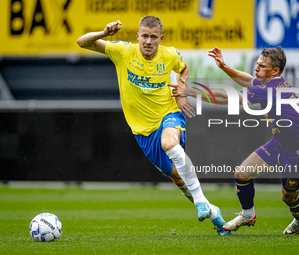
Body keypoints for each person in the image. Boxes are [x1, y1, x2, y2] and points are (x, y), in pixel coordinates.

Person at [77, 16, 231, 235]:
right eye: (145, 36)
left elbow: (183, 68)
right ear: (137, 36)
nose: (148, 41)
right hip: (143, 131)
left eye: (153, 37)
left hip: (169, 113)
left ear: (161, 38)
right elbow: (81, 42)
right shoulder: (123, 51)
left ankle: (199, 201)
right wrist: (103, 33)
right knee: (177, 177)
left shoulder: (169, 55)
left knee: (169, 142)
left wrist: (181, 88)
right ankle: (214, 213)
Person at [170, 46, 299, 235]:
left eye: (262, 66)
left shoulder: (269, 90)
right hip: (280, 143)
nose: (257, 68)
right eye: (257, 64)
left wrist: (190, 92)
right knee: (242, 174)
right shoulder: (275, 83)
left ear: (275, 71)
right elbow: (247, 80)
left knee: (288, 197)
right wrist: (224, 67)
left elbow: (228, 98)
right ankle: (248, 214)